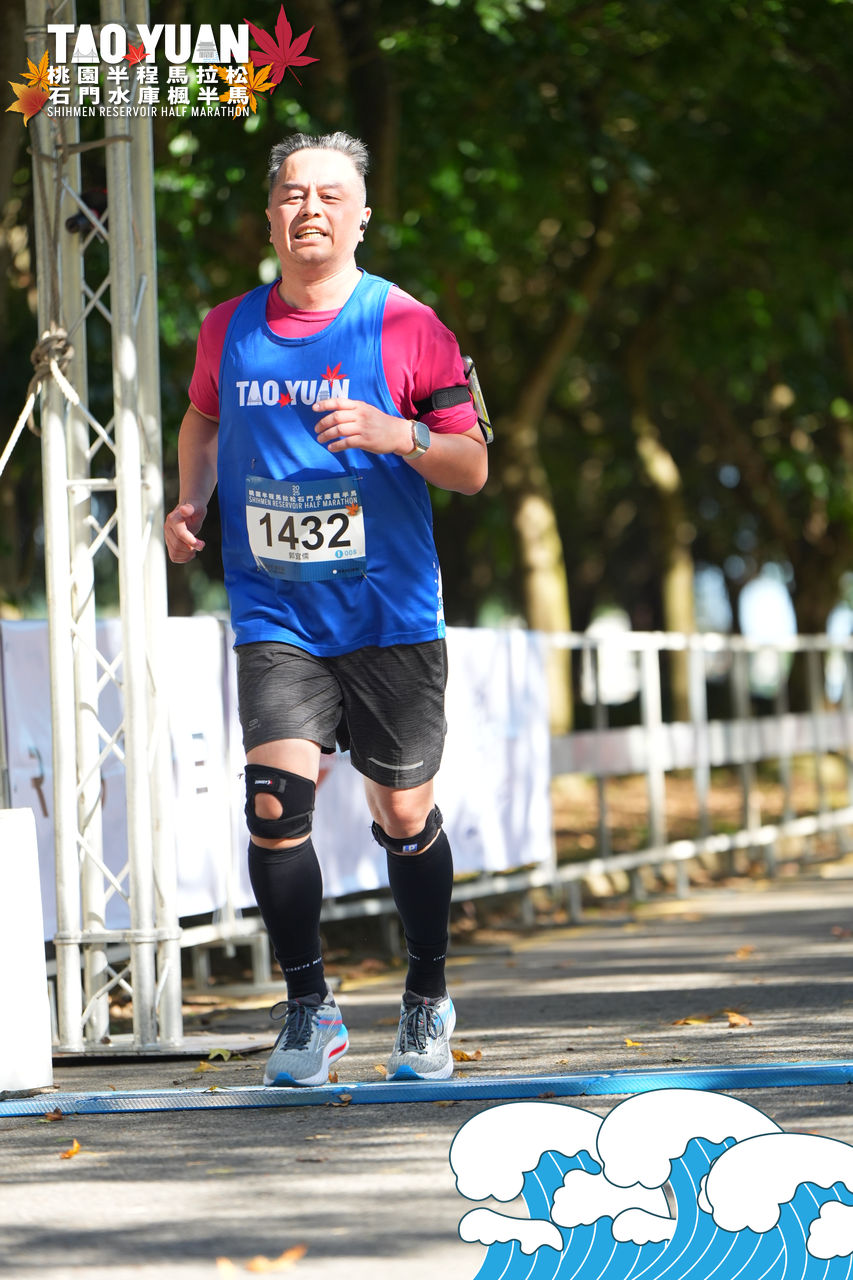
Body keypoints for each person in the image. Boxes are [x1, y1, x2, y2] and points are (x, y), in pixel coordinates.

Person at [164, 131, 488, 1087]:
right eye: (292, 194)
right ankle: (309, 1008)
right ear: (270, 216)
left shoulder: (407, 324)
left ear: (361, 217)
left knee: (403, 812)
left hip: (389, 611)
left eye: (330, 195)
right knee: (273, 807)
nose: (309, 208)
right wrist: (190, 501)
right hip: (276, 612)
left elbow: (472, 467)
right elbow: (203, 418)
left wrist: (398, 434)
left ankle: (426, 995)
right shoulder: (227, 328)